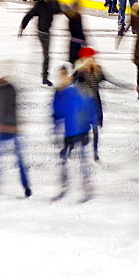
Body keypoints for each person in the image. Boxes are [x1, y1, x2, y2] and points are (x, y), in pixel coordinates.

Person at [52, 67, 98, 201]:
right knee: (64, 159)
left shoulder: (77, 91)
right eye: (60, 76)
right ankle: (65, 185)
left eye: (63, 76)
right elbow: (57, 113)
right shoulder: (60, 93)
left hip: (81, 130)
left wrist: (92, 123)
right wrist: (55, 129)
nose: (61, 78)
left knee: (82, 160)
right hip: (69, 132)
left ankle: (86, 186)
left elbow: (89, 106)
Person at [0, 77, 32, 198]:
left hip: (10, 129)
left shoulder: (8, 89)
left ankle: (25, 186)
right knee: (4, 159)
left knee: (6, 159)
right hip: (8, 129)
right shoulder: (1, 89)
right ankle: (24, 186)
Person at [19, 0, 62, 86]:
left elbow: (59, 10)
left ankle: (45, 76)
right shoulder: (41, 4)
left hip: (46, 32)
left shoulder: (52, 5)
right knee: (46, 56)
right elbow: (29, 15)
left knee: (46, 56)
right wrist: (22, 27)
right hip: (42, 33)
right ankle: (45, 77)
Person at [63, 0, 88, 67]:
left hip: (75, 42)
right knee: (76, 63)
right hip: (76, 43)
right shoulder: (75, 16)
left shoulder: (75, 16)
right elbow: (79, 30)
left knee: (76, 63)